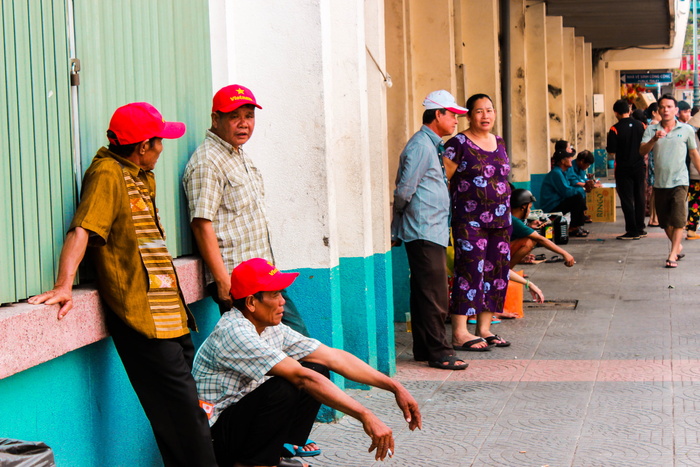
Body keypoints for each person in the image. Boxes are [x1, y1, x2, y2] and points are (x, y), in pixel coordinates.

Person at [28, 103, 217, 466]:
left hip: (171, 317)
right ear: (142, 146)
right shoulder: (107, 174)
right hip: (143, 321)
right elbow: (84, 227)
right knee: (184, 424)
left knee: (192, 415)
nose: (163, 148)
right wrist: (64, 284)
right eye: (159, 141)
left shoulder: (139, 174)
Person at [193, 258, 423, 467]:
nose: (283, 301)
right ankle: (252, 463)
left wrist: (395, 388)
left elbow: (333, 357)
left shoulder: (272, 329)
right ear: (252, 302)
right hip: (213, 436)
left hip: (241, 419)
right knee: (289, 384)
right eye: (275, 295)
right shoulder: (235, 332)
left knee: (317, 368)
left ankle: (276, 453)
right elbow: (303, 378)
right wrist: (366, 415)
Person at [183, 84, 309, 337]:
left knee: (290, 350)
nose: (244, 124)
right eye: (234, 117)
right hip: (242, 288)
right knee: (291, 352)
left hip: (264, 278)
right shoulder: (208, 161)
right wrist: (222, 282)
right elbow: (201, 223)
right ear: (216, 119)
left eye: (249, 116)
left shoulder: (237, 155)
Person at [391, 90, 468, 370]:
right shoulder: (421, 146)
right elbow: (404, 191)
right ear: (438, 114)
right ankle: (440, 352)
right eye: (453, 115)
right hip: (423, 230)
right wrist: (399, 221)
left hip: (430, 229)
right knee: (435, 295)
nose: (457, 120)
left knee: (424, 292)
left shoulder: (430, 144)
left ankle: (424, 347)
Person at [443, 93, 512, 351]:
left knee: (496, 273)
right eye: (479, 111)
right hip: (469, 220)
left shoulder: (499, 141)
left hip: (501, 220)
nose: (486, 115)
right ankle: (460, 332)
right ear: (469, 115)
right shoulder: (457, 143)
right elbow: (443, 180)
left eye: (490, 110)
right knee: (469, 272)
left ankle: (484, 328)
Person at [640, 94, 700, 268]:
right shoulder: (651, 130)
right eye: (662, 107)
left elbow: (694, 154)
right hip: (660, 182)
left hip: (680, 180)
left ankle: (673, 255)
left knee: (679, 219)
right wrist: (653, 139)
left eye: (669, 107)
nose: (666, 110)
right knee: (664, 222)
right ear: (658, 110)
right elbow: (642, 151)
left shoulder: (686, 130)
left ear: (676, 110)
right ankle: (677, 245)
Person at [607, 99, 647, 240]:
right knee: (640, 196)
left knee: (627, 199)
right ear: (629, 111)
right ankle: (641, 228)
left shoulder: (614, 129)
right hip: (639, 166)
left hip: (623, 168)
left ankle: (632, 230)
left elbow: (611, 150)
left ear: (616, 113)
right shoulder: (641, 125)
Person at [508, 189, 575, 268]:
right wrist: (565, 254)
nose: (530, 211)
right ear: (523, 207)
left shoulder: (510, 217)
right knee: (529, 241)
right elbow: (540, 239)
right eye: (529, 208)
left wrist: (529, 227)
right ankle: (507, 271)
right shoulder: (514, 220)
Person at [539, 151, 592, 237]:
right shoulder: (556, 173)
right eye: (569, 158)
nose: (571, 159)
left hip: (558, 202)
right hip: (551, 207)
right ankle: (573, 228)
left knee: (578, 196)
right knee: (577, 199)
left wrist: (584, 188)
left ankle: (578, 226)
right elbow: (566, 192)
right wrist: (583, 189)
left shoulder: (562, 172)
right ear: (563, 161)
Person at [644, 102, 661, 227]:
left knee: (654, 190)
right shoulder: (654, 126)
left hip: (653, 160)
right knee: (655, 190)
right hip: (655, 160)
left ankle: (653, 217)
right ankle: (654, 217)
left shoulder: (652, 126)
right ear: (654, 112)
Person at [686, 111, 700, 239]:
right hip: (697, 171)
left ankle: (691, 228)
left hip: (693, 172)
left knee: (694, 202)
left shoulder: (694, 135)